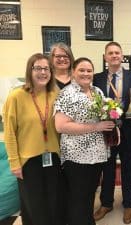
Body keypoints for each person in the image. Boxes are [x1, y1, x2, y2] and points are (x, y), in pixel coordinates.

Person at [3, 53, 64, 225]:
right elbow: (9, 133)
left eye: (46, 68)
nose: (42, 72)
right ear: (30, 70)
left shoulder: (56, 94)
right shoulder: (16, 96)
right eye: (38, 68)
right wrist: (14, 163)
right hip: (28, 160)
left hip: (53, 157)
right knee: (33, 205)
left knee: (53, 203)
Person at [93, 41, 131, 224]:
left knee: (127, 169)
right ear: (105, 57)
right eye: (110, 53)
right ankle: (106, 203)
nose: (114, 55)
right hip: (106, 132)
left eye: (117, 52)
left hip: (129, 132)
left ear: (122, 55)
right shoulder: (96, 78)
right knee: (107, 170)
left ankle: (128, 205)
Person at [54, 57, 115, 225]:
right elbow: (61, 126)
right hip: (77, 157)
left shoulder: (97, 92)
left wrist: (112, 124)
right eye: (81, 70)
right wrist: (96, 127)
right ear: (73, 72)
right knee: (78, 199)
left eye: (89, 70)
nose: (86, 73)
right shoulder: (67, 94)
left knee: (89, 196)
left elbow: (105, 116)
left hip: (97, 155)